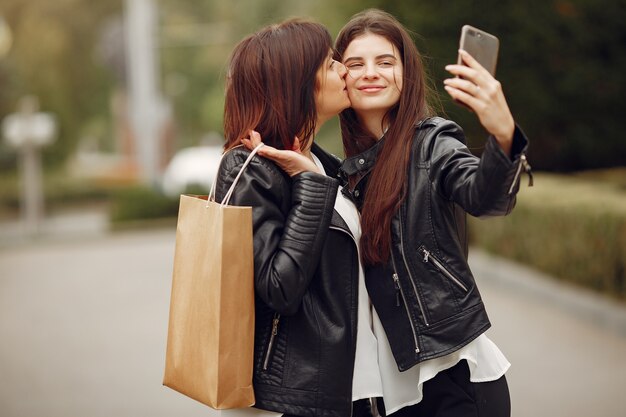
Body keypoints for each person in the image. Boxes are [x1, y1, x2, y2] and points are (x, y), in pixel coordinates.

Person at [245, 8, 532, 417]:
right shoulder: (340, 171)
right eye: (354, 64)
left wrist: (503, 135)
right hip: (395, 394)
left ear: (406, 72)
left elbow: (485, 197)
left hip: (454, 375)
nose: (370, 73)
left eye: (385, 62)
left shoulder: (432, 143)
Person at [214, 19, 377, 417]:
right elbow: (278, 288)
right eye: (328, 64)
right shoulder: (249, 168)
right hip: (296, 400)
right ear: (298, 83)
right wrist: (310, 186)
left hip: (357, 389)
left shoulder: (323, 164)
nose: (343, 70)